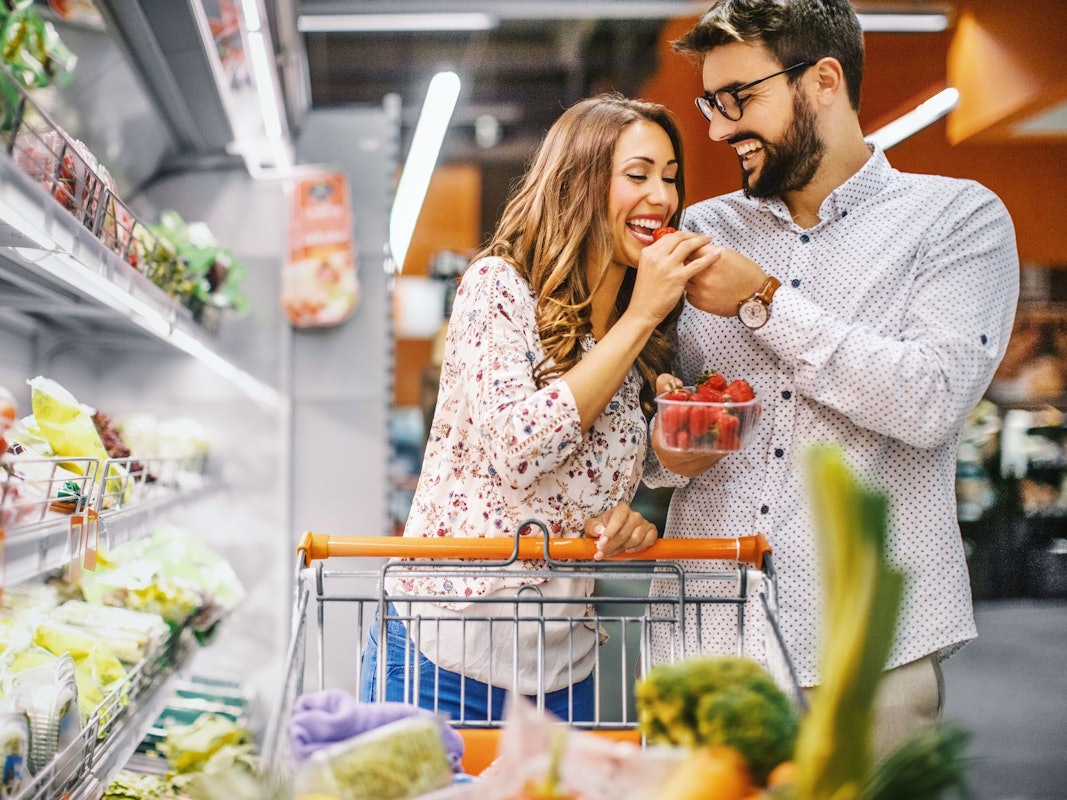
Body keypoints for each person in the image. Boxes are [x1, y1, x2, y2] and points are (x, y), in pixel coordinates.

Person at [643, 0, 1019, 760]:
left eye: (738, 99)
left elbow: (928, 401)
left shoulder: (956, 221)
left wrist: (764, 302)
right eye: (709, 105)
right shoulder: (701, 234)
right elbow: (645, 429)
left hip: (868, 651)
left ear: (821, 80)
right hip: (700, 638)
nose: (717, 130)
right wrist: (663, 449)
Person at [360, 94, 715, 723]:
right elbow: (519, 448)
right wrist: (640, 317)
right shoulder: (498, 288)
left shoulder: (642, 333)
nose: (661, 197)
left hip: (563, 666)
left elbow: (642, 469)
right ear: (580, 182)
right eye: (637, 175)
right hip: (443, 650)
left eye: (669, 177)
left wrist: (634, 509)